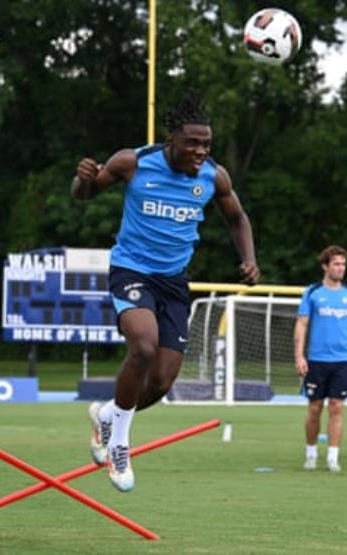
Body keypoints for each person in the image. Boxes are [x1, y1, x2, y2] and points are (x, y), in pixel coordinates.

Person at [70, 90, 260, 492]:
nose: (200, 151)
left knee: (160, 382)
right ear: (171, 139)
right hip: (132, 270)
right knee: (142, 347)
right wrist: (83, 181)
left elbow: (237, 218)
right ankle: (119, 445)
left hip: (174, 282)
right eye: (192, 143)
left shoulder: (214, 176)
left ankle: (107, 416)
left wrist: (248, 258)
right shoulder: (133, 163)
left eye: (206, 144)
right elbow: (85, 195)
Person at [294, 245, 347, 472]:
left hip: (342, 360)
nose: (340, 268)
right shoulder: (313, 292)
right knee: (315, 407)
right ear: (325, 266)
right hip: (317, 360)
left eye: (343, 264)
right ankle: (311, 453)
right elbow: (302, 324)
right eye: (336, 264)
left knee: (337, 407)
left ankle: (333, 457)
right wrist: (299, 356)